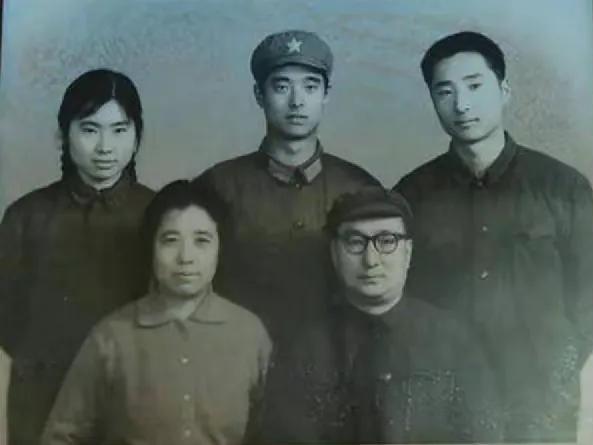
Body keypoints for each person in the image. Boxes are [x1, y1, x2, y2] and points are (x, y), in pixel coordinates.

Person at [393, 31, 593, 442]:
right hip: (445, 405)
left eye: (474, 86)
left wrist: (560, 370)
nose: (461, 105)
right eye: (445, 92)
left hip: (541, 402)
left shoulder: (562, 186)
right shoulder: (410, 195)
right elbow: (400, 304)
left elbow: (590, 296)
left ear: (504, 91)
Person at [260, 187, 502, 444]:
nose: (371, 260)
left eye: (387, 242)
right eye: (355, 242)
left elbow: (483, 436)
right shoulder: (303, 348)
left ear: (407, 252)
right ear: (334, 253)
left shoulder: (455, 341)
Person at [41, 180, 272, 444]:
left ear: (220, 248)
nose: (186, 257)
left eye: (202, 241)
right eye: (170, 240)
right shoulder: (111, 337)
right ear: (151, 247)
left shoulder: (249, 334)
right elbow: (61, 437)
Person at [194, 30, 380, 352]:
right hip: (237, 359)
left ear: (326, 94)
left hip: (338, 363)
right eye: (282, 87)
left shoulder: (360, 187)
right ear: (259, 94)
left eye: (310, 86)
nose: (297, 101)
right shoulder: (216, 187)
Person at [0, 69, 154, 444]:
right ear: (62, 134)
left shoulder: (159, 214)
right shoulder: (26, 217)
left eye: (119, 130)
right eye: (89, 129)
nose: (105, 147)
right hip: (43, 398)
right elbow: (7, 323)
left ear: (137, 136)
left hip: (136, 399)